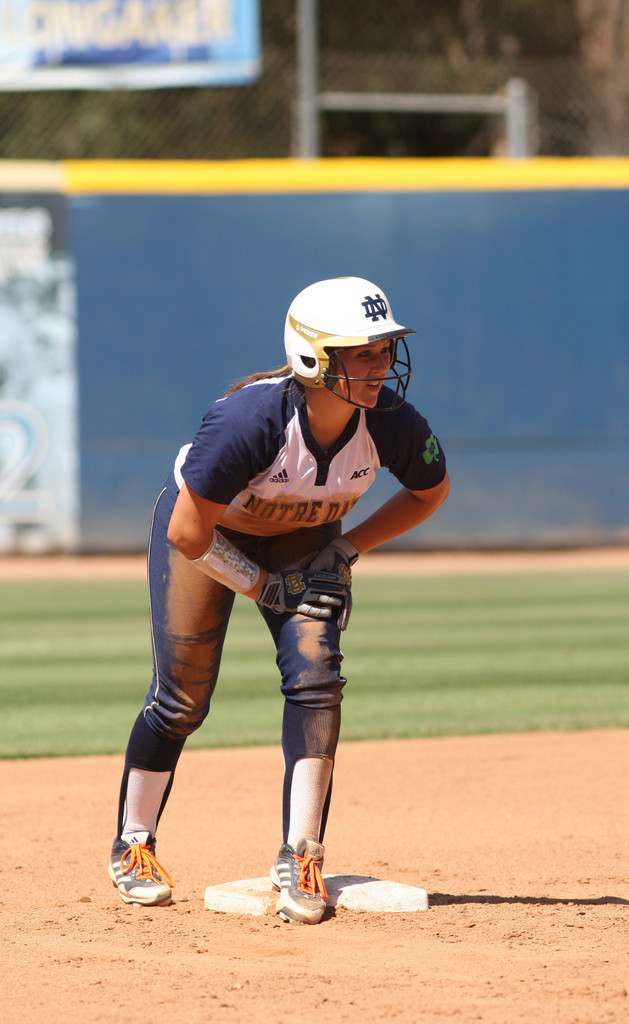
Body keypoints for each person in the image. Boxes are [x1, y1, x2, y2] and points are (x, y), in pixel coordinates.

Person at [108, 275, 449, 924]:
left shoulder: (391, 424)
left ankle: (302, 855)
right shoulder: (252, 419)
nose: (381, 365)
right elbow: (187, 532)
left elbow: (430, 491)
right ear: (314, 358)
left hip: (305, 543)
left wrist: (346, 549)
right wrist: (263, 586)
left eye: (385, 349)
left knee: (318, 683)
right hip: (207, 541)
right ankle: (133, 845)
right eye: (363, 352)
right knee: (181, 700)